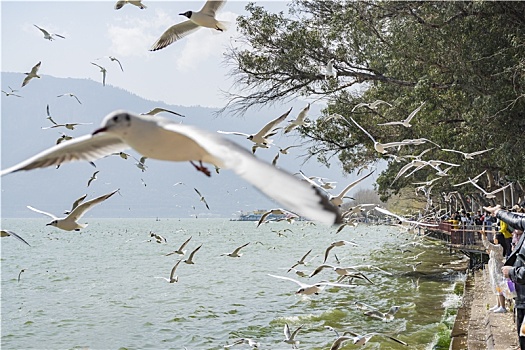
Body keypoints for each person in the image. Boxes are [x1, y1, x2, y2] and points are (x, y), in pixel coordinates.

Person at [484, 205, 525, 350]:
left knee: (524, 335)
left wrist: (513, 272)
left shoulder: (499, 247)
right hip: (521, 296)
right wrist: (498, 212)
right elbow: (516, 220)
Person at [481, 230, 507, 313]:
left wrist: (484, 236)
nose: (493, 238)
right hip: (493, 267)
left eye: (494, 237)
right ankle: (498, 304)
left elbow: (488, 245)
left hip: (497, 268)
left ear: (498, 239)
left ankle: (503, 306)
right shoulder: (497, 247)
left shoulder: (499, 247)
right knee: (496, 285)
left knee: (499, 286)